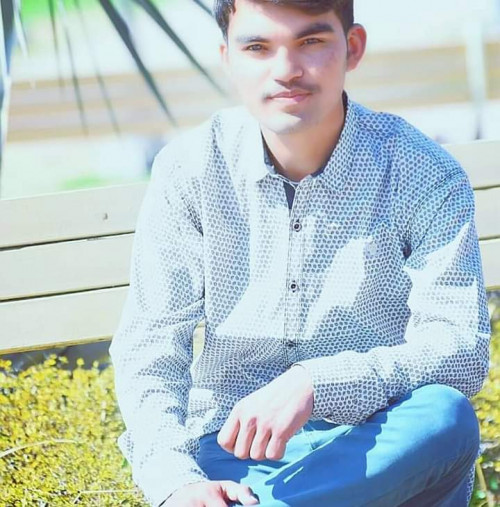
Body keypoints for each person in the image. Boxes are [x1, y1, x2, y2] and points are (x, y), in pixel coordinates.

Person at [108, 1, 492, 506]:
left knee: (444, 416)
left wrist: (317, 382)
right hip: (231, 456)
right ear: (228, 59)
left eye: (310, 42)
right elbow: (150, 347)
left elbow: (460, 349)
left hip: (377, 447)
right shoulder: (189, 171)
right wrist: (177, 482)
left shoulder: (422, 172)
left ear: (352, 47)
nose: (286, 70)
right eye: (258, 47)